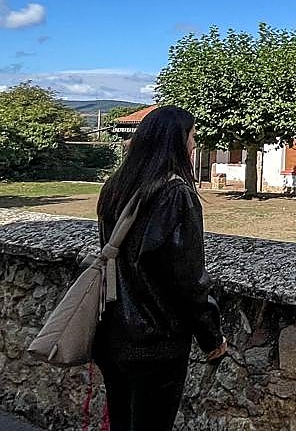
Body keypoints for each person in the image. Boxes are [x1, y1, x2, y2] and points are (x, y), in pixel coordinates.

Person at [93, 105, 227, 431]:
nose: (195, 145)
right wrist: (212, 339)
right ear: (176, 141)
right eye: (192, 137)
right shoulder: (176, 194)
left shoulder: (115, 188)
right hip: (155, 340)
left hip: (113, 333)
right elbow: (188, 279)